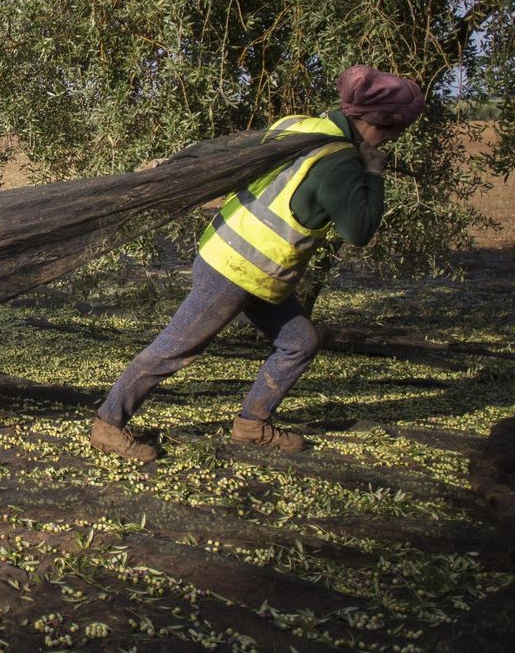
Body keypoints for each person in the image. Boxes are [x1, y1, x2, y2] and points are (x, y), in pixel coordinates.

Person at [89, 65, 425, 462]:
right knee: (175, 348)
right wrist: (373, 171)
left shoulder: (300, 126)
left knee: (300, 342)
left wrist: (177, 160)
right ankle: (108, 424)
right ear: (379, 124)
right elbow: (359, 229)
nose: (395, 137)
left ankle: (251, 425)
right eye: (395, 129)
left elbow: (229, 148)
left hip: (248, 264)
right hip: (236, 269)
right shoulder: (340, 163)